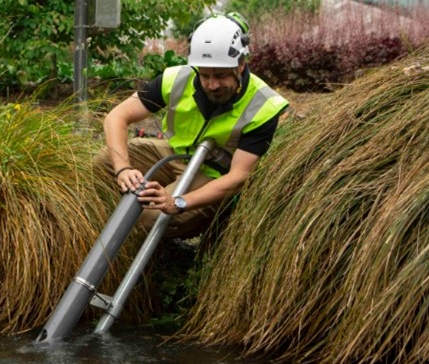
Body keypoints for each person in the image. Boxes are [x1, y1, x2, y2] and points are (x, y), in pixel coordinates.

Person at [97, 12, 289, 239]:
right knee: (104, 163)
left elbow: (238, 177)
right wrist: (123, 169)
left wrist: (178, 202)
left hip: (213, 174)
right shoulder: (177, 79)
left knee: (150, 217)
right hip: (174, 153)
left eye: (220, 75)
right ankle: (105, 227)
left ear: (240, 65)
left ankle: (163, 246)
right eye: (205, 75)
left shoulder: (263, 105)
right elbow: (116, 117)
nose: (212, 84)